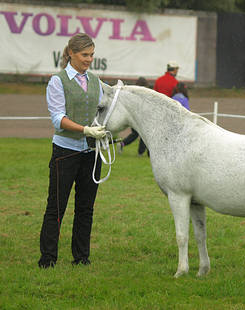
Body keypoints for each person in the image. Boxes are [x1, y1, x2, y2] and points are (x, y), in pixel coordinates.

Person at [38, 33, 105, 269]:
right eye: (85, 55)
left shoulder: (96, 82)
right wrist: (85, 129)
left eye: (92, 55)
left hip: (91, 154)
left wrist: (101, 130)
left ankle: (81, 257)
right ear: (71, 54)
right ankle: (48, 258)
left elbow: (100, 113)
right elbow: (58, 119)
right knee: (56, 206)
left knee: (85, 208)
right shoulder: (57, 81)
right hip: (65, 152)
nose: (89, 59)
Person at [118, 77, 149, 156]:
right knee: (143, 135)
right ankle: (140, 152)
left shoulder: (133, 92)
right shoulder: (144, 93)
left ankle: (122, 143)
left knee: (134, 134)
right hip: (142, 117)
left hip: (133, 117)